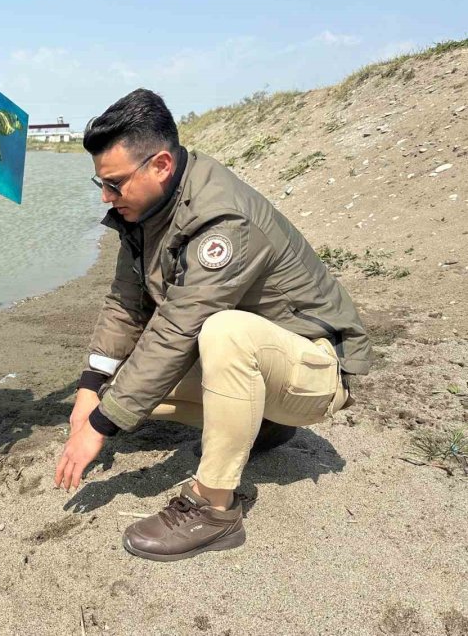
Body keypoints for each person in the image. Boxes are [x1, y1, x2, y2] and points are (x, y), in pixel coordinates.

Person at [54, 89, 372, 562]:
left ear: (160, 165)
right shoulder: (147, 210)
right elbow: (126, 304)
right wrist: (91, 390)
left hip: (314, 371)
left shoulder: (223, 218)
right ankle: (262, 427)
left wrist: (100, 426)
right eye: (99, 183)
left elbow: (179, 327)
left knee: (220, 333)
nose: (106, 196)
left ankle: (215, 508)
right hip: (263, 370)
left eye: (115, 184)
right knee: (121, 389)